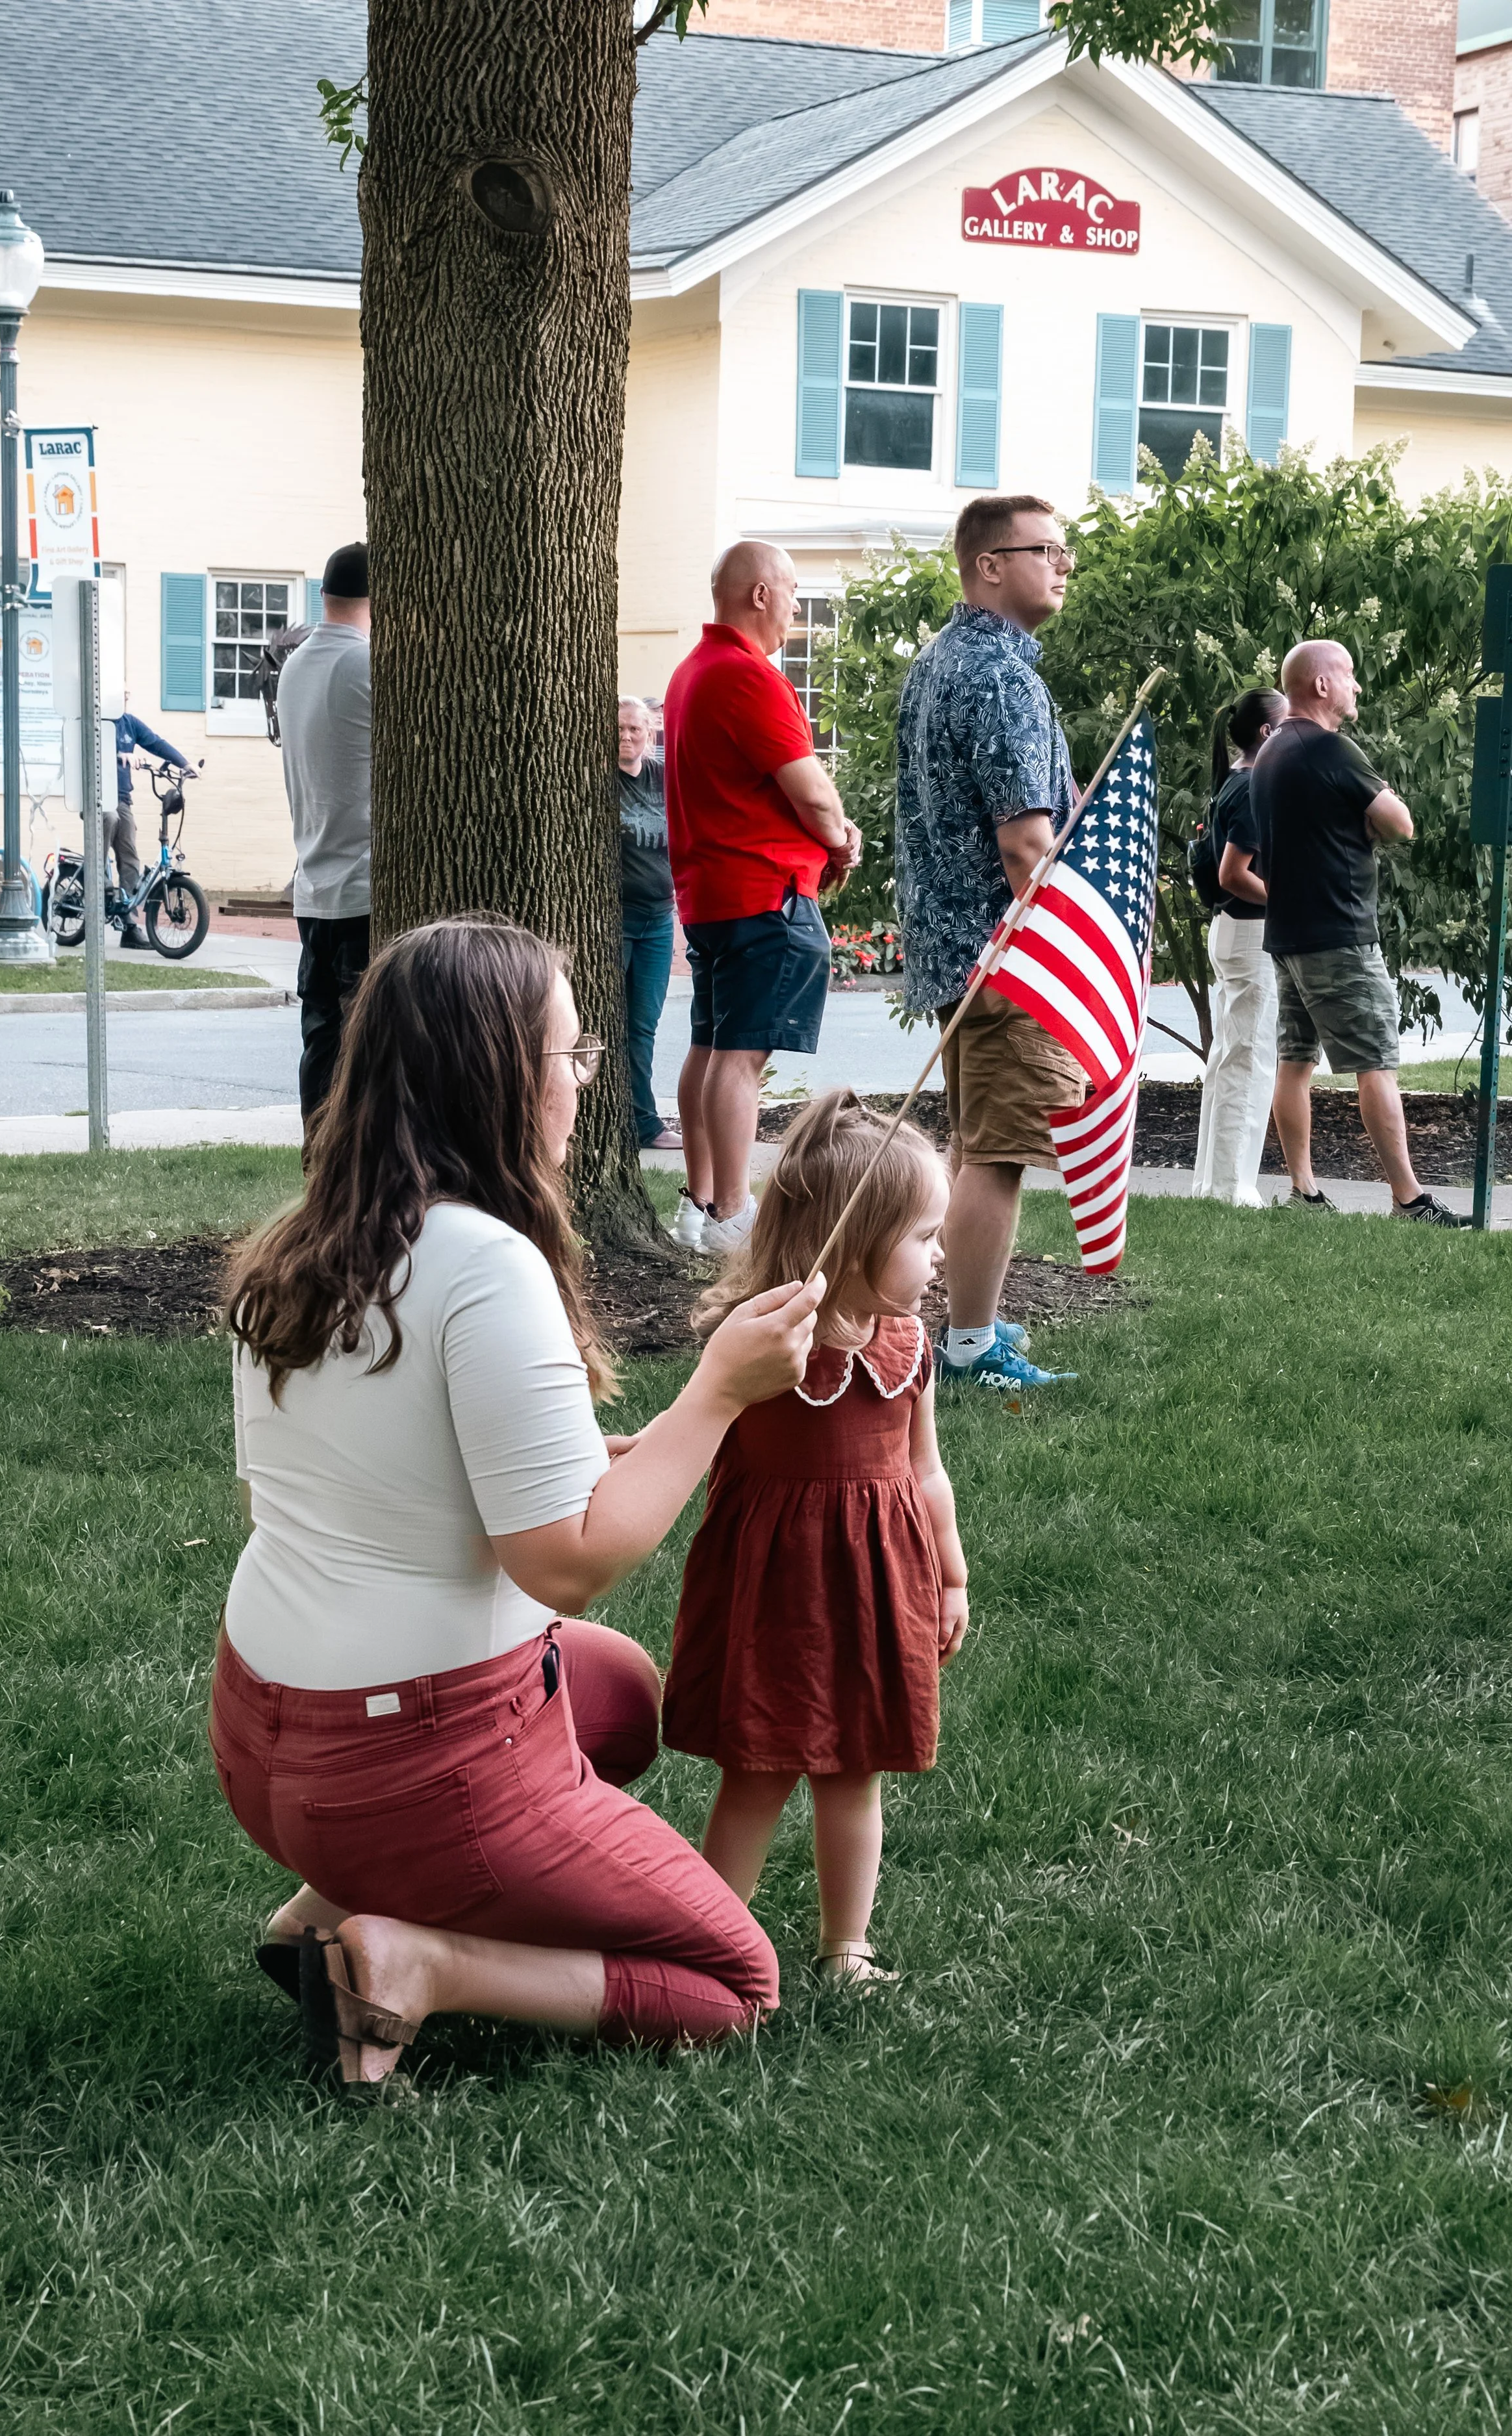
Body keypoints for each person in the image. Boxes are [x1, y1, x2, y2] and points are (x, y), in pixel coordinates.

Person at [212, 916, 828, 2090]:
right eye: (571, 1056)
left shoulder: (304, 1244)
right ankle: (421, 1959)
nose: (583, 1083)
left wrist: (563, 1450)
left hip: (263, 1738)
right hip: (408, 1760)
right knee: (737, 1985)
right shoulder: (487, 1265)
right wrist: (720, 1393)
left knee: (625, 1704)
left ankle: (325, 1907)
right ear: (497, 1076)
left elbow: (341, 1481)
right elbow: (568, 1564)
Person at [662, 1091, 967, 1985]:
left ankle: (848, 1945)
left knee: (854, 1769)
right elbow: (692, 1436)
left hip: (875, 1584)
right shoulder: (761, 1345)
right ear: (849, 1236)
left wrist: (949, 1576)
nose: (940, 1253)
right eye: (923, 1235)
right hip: (776, 1592)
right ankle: (711, 1947)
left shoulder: (906, 1342)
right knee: (758, 1768)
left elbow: (926, 1469)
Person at [894, 494, 1087, 1397]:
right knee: (1000, 1152)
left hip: (953, 946)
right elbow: (1023, 842)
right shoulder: (1002, 677)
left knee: (978, 1143)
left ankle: (968, 1315)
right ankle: (969, 1343)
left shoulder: (938, 662)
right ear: (988, 564)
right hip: (1006, 954)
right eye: (1047, 548)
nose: (1064, 563)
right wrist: (1051, 946)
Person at [663, 541, 862, 1256]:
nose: (794, 608)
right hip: (761, 891)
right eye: (790, 592)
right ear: (758, 594)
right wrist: (841, 839)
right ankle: (733, 1216)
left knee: (712, 1046)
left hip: (713, 893)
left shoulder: (692, 672)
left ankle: (701, 1202)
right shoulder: (748, 676)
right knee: (738, 1058)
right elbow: (809, 789)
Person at [1252, 639, 1467, 1226]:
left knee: (1294, 1060)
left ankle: (1305, 1190)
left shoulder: (1271, 753)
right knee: (1375, 1061)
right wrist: (1370, 821)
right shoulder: (1330, 748)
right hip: (1339, 933)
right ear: (1321, 685)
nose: (1357, 687)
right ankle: (1409, 1199)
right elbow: (1401, 823)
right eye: (1349, 676)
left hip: (1288, 932)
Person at [276, 540, 372, 1140]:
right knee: (368, 1058)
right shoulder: (363, 665)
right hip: (362, 886)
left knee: (322, 1047)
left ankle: (320, 1176)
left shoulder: (296, 664)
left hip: (313, 884)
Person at [1192, 688, 1286, 1206]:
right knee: (1249, 1059)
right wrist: (1287, 901)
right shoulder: (1252, 786)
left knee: (1228, 1057)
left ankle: (1211, 1182)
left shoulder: (1232, 780)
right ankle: (1232, 1188)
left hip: (1231, 931)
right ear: (1267, 734)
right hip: (1252, 932)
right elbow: (1234, 874)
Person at [616, 694, 682, 1151]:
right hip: (615, 921)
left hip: (659, 921)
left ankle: (642, 1121)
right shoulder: (599, 781)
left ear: (649, 735)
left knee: (643, 1025)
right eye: (619, 729)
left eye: (634, 730)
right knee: (606, 1019)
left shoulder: (664, 779)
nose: (626, 737)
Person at [111, 698, 195, 949]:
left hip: (122, 799)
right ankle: (103, 889)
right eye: (120, 693)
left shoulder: (129, 723)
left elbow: (155, 743)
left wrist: (185, 764)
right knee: (110, 819)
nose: (124, 698)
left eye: (126, 694)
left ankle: (127, 924)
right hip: (98, 798)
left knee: (131, 859)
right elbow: (88, 747)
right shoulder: (99, 722)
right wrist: (120, 755)